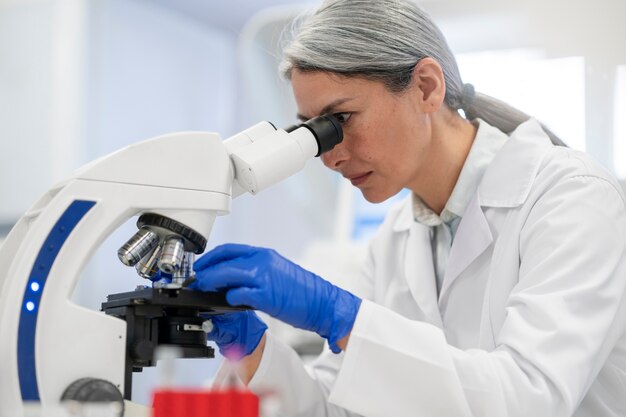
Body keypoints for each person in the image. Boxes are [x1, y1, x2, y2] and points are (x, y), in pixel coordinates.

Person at [190, 0, 626, 416]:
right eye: (312, 130)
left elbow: (527, 399)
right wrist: (253, 351)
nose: (329, 156)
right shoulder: (397, 238)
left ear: (426, 87)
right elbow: (339, 409)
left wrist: (340, 317)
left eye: (338, 120)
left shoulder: (571, 200)